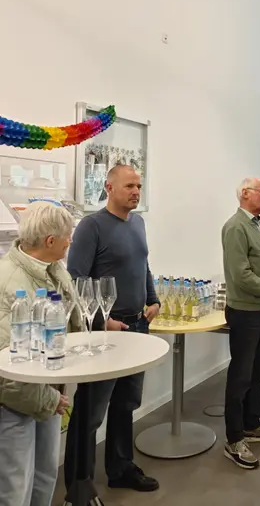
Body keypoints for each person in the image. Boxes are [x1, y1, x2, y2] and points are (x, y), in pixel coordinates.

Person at [64, 164, 160, 493]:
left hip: (138, 326)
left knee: (126, 403)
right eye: (129, 186)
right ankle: (79, 487)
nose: (136, 192)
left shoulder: (139, 222)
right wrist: (100, 322)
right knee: (90, 413)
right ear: (109, 188)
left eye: (139, 186)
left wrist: (153, 299)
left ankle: (120, 469)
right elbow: (75, 280)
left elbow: (144, 265)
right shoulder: (91, 226)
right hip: (106, 331)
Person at [0, 201, 82, 506]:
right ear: (50, 241)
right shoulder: (8, 283)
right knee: (15, 490)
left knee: (45, 475)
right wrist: (50, 398)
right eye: (67, 236)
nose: (70, 241)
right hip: (14, 403)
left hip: (47, 392)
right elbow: (7, 367)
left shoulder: (53, 269)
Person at [222, 178, 260, 470]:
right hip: (245, 312)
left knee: (258, 370)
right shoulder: (235, 227)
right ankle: (234, 439)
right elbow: (241, 274)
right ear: (245, 194)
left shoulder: (258, 224)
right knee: (241, 375)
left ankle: (251, 424)